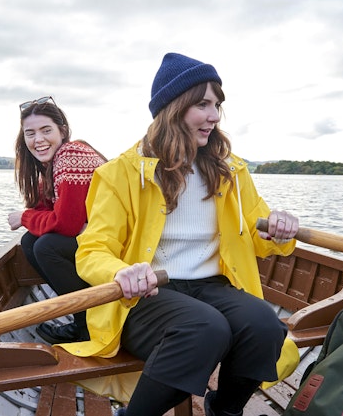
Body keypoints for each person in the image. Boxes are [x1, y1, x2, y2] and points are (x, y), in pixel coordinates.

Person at [61, 53, 300, 416]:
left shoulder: (230, 172)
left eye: (217, 105)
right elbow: (92, 250)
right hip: (146, 295)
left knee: (264, 326)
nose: (215, 116)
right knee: (206, 329)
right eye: (203, 104)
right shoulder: (120, 174)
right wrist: (119, 272)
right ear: (174, 107)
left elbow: (256, 234)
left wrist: (278, 230)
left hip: (211, 287)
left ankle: (226, 409)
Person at [7, 96, 107, 344]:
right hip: (101, 241)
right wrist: (31, 216)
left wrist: (24, 216)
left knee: (46, 246)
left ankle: (89, 324)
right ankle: (84, 319)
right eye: (30, 133)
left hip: (120, 246)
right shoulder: (55, 164)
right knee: (31, 241)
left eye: (45, 130)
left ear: (62, 131)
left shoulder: (71, 155)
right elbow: (46, 209)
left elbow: (65, 224)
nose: (37, 140)